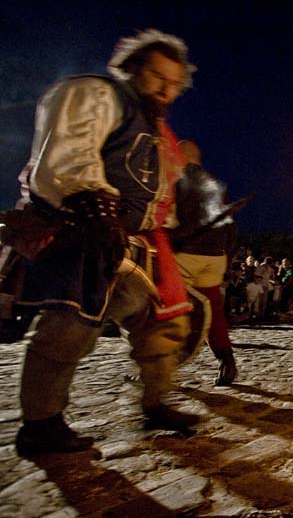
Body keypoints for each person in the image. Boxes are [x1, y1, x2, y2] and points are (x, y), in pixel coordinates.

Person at [9, 29, 200, 455]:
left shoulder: (154, 130)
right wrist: (93, 200)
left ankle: (155, 402)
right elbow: (70, 154)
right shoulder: (98, 95)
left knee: (155, 316)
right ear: (132, 69)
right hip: (79, 230)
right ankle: (40, 425)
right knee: (70, 326)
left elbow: (152, 193)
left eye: (174, 82)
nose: (166, 89)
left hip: (125, 241)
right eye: (157, 76)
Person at [172, 141, 239, 386]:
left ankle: (159, 368)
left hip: (186, 254)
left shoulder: (177, 180)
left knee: (170, 309)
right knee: (213, 312)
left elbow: (169, 217)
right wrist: (227, 259)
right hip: (215, 256)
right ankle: (226, 363)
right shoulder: (216, 186)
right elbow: (230, 225)